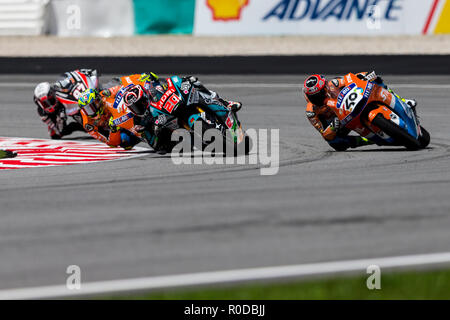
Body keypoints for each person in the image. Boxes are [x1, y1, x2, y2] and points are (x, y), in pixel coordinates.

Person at [122, 73, 243, 152]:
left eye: (141, 103)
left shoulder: (155, 91)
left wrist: (183, 81)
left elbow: (166, 83)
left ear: (145, 96)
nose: (140, 107)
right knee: (179, 147)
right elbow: (153, 143)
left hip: (176, 111)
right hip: (169, 141)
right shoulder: (138, 121)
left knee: (195, 84)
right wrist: (155, 128)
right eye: (135, 107)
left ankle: (224, 103)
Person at [302, 71, 417, 151]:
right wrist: (332, 127)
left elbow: (351, 78)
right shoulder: (311, 111)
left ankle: (402, 100)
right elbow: (324, 134)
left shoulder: (334, 84)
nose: (318, 98)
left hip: (352, 105)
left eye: (320, 94)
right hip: (340, 123)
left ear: (325, 87)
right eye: (314, 97)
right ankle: (369, 140)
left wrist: (365, 76)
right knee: (335, 144)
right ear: (308, 96)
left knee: (376, 81)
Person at [33, 69, 97, 139]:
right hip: (56, 119)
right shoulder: (42, 113)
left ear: (52, 93)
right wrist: (60, 118)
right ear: (39, 103)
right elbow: (54, 125)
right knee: (56, 134)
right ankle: (86, 127)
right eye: (45, 103)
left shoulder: (57, 92)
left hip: (60, 106)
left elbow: (68, 82)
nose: (49, 105)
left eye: (50, 100)